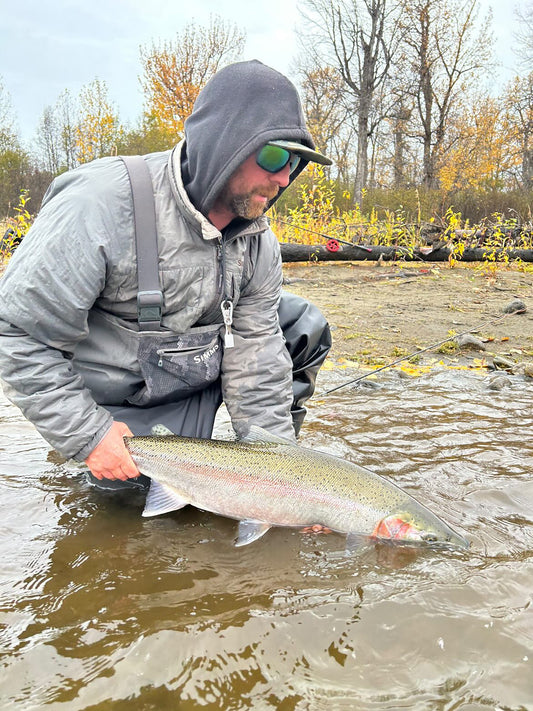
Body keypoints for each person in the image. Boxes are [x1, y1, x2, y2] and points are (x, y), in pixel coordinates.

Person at [0, 59, 331, 489]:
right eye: (275, 156)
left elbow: (257, 358)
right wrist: (88, 435)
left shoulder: (258, 241)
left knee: (299, 326)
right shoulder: (98, 205)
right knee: (126, 503)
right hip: (118, 401)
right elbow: (18, 335)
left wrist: (285, 479)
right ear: (223, 145)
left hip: (195, 377)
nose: (285, 177)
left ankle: (253, 470)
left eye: (296, 162)